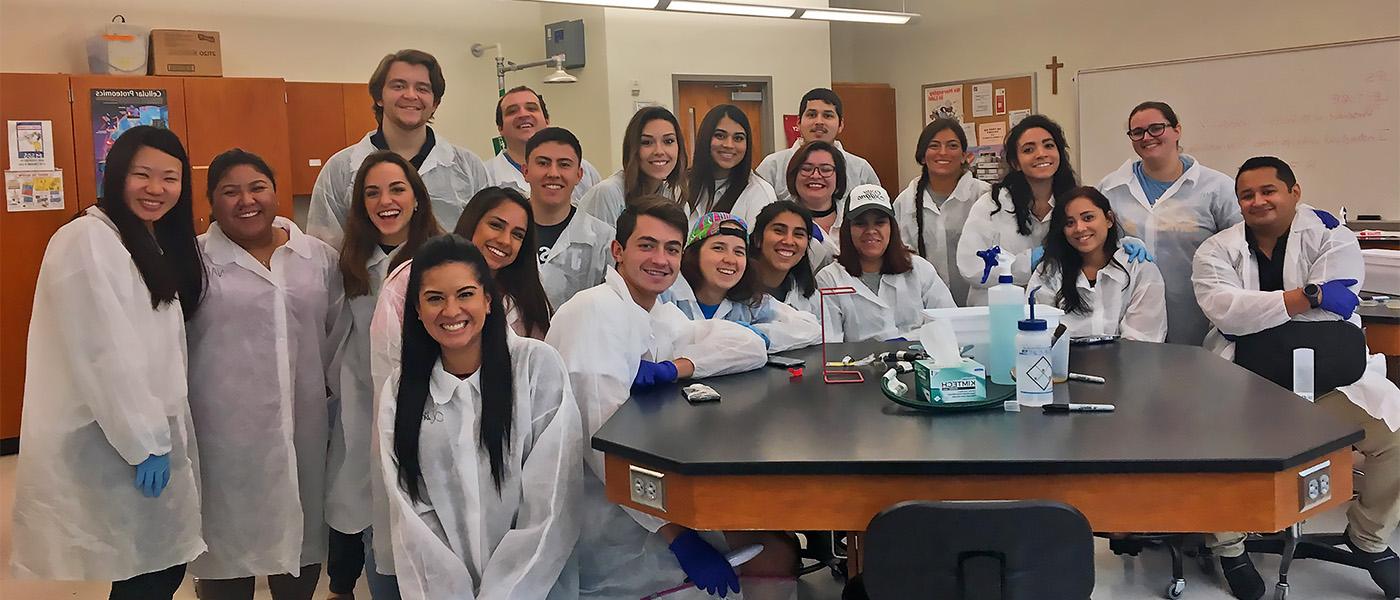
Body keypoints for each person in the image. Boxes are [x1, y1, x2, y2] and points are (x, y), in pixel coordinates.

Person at [10, 126, 206, 599]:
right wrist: (144, 442)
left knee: (156, 565)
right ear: (116, 175)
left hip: (141, 432)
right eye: (143, 174)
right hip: (114, 438)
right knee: (149, 571)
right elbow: (103, 353)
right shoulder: (87, 240)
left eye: (170, 178)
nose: (156, 189)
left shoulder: (138, 239)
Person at [1192, 156, 1399, 600]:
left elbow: (1337, 304)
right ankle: (1229, 546)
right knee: (1207, 445)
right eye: (1246, 195)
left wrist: (1261, 311)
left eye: (1269, 190)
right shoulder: (1216, 249)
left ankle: (1368, 539)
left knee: (1396, 440)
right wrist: (1310, 295)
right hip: (1243, 381)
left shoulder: (1330, 235)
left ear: (1294, 191)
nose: (1257, 201)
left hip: (1329, 381)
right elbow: (1225, 312)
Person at [545, 196, 768, 599]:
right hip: (605, 526)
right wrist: (678, 537)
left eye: (672, 249)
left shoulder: (657, 314)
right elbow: (605, 450)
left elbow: (750, 345)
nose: (660, 259)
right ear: (618, 250)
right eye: (646, 245)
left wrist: (675, 367)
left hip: (648, 513)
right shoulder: (594, 313)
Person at [377, 235, 583, 598]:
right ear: (417, 310)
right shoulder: (401, 390)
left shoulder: (536, 368)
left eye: (466, 294)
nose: (451, 310)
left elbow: (552, 501)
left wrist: (504, 592)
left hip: (535, 587)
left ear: (489, 301)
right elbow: (412, 509)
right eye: (435, 298)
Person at [186, 149, 341, 599]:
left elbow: (333, 334)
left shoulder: (317, 257)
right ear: (212, 201)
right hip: (222, 441)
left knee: (301, 546)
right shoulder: (192, 262)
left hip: (305, 430)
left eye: (257, 187)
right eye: (229, 192)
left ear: (275, 191)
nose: (246, 200)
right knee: (225, 552)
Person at [325, 151, 443, 599]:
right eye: (371, 192)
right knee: (373, 527)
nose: (385, 201)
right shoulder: (351, 263)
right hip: (363, 410)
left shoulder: (441, 258)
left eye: (397, 189)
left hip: (432, 411)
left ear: (417, 198)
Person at [956, 115, 1151, 306]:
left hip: (1054, 312)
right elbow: (971, 266)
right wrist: (1028, 262)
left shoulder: (1072, 203)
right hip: (997, 313)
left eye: (1049, 145)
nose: (1041, 154)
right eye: (1028, 149)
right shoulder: (991, 205)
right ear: (1015, 162)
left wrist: (1123, 245)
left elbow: (1093, 241)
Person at [308, 49, 489, 248]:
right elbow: (323, 253)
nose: (411, 95)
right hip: (365, 280)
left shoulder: (468, 167)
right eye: (399, 85)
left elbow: (484, 241)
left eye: (422, 88)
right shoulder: (340, 169)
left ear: (435, 102)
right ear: (379, 97)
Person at [1098, 101, 1240, 345]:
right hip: (1129, 320)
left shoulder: (1216, 188)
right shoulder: (1111, 188)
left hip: (1195, 316)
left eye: (1156, 128)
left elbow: (1243, 247)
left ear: (1177, 130)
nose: (1147, 137)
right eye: (1137, 132)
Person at [816, 184, 955, 342]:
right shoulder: (829, 279)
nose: (871, 231)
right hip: (858, 365)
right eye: (861, 223)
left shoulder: (920, 269)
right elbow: (830, 343)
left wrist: (906, 342)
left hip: (919, 361)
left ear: (892, 228)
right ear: (847, 230)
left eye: (880, 223)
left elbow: (948, 322)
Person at [666, 211, 821, 353]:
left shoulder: (751, 300)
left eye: (739, 252)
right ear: (694, 252)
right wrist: (731, 334)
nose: (730, 260)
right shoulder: (668, 294)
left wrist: (759, 335)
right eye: (718, 248)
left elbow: (812, 328)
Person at [1027, 186, 1167, 342]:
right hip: (1064, 364)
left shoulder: (1137, 267)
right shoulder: (1050, 271)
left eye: (1088, 218)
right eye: (1069, 223)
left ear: (1109, 219)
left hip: (1127, 363)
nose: (1079, 228)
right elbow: (1037, 334)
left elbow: (1143, 338)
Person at [894, 118, 992, 306]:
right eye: (934, 146)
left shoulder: (985, 196)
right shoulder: (904, 202)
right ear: (922, 156)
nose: (943, 152)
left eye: (952, 146)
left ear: (965, 155)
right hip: (924, 306)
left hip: (978, 305)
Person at [522, 126, 616, 309]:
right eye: (543, 163)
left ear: (579, 175)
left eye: (564, 164)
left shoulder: (604, 239)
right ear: (525, 171)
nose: (553, 173)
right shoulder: (505, 231)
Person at [756, 88, 880, 205]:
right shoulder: (772, 165)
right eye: (811, 115)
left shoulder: (860, 169)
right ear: (798, 122)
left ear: (841, 124)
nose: (819, 122)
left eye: (828, 116)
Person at [486, 85, 602, 201]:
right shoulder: (486, 175)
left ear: (547, 121)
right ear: (500, 128)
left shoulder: (584, 170)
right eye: (512, 111)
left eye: (531, 108)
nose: (523, 115)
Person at [579, 106, 688, 228]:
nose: (659, 151)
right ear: (632, 148)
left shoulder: (675, 195)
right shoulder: (608, 193)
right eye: (646, 143)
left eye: (668, 141)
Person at [681, 104, 777, 227]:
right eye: (720, 136)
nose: (729, 145)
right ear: (705, 137)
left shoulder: (760, 192)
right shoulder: (681, 186)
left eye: (738, 138)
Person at [749, 201, 823, 318]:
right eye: (779, 231)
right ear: (758, 239)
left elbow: (826, 335)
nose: (789, 241)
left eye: (798, 234)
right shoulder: (732, 292)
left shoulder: (810, 299)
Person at [784, 140, 846, 271]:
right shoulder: (779, 218)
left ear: (838, 176)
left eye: (826, 169)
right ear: (794, 175)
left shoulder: (853, 216)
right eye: (806, 169)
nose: (816, 175)